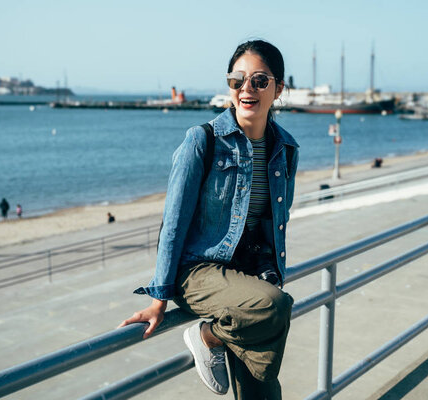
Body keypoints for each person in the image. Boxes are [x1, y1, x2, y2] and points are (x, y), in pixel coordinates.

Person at [119, 39, 298, 399]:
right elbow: (173, 225)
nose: (247, 89)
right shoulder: (202, 141)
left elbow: (273, 223)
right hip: (199, 272)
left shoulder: (285, 148)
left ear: (279, 89)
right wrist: (159, 300)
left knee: (263, 390)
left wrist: (268, 271)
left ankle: (233, 345)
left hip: (246, 277)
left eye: (260, 81)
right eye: (238, 79)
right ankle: (206, 336)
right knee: (275, 307)